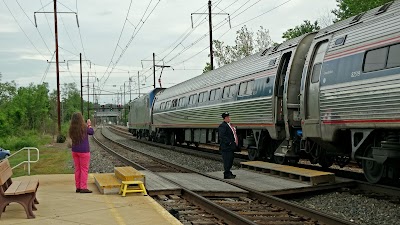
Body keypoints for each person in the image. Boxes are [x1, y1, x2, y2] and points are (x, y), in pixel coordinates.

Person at [68, 112, 94, 193]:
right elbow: (91, 132)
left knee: (77, 169)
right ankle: (83, 187)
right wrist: (89, 124)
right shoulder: (84, 127)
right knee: (84, 169)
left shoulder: (71, 128)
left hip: (75, 151)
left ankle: (78, 187)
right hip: (84, 151)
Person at [218, 112, 238, 179]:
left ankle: (228, 172)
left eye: (229, 117)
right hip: (226, 147)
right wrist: (229, 142)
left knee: (230, 160)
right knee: (227, 160)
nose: (229, 118)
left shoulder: (229, 125)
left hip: (230, 147)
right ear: (225, 118)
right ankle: (226, 174)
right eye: (227, 117)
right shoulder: (223, 126)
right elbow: (222, 136)